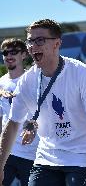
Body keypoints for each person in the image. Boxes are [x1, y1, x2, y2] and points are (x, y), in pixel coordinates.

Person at [0, 19, 86, 186]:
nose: (33, 46)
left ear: (57, 43)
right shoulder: (27, 81)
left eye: (40, 40)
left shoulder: (80, 73)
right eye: (30, 41)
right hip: (46, 158)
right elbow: (12, 124)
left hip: (82, 157)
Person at [0, 38, 39, 186]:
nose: (9, 56)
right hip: (7, 153)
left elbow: (42, 112)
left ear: (24, 55)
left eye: (14, 52)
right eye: (5, 52)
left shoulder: (33, 80)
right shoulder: (1, 82)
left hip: (31, 153)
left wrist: (32, 127)